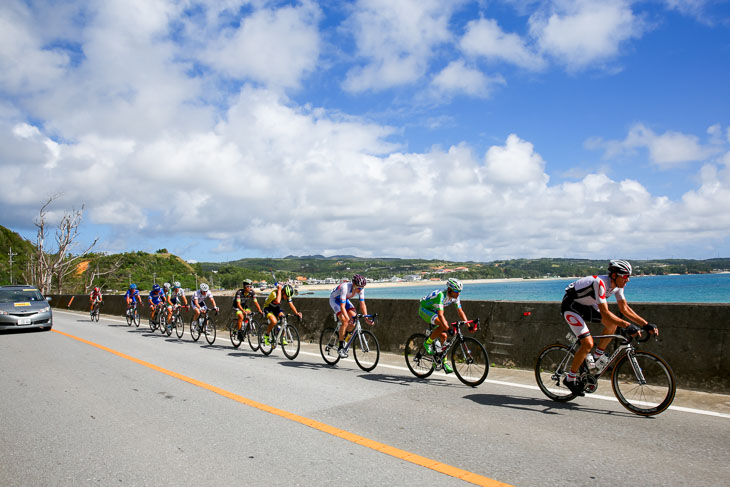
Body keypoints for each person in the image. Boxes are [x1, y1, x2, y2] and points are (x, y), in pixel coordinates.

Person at [561, 259, 659, 396]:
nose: (628, 280)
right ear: (614, 275)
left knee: (612, 324)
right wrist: (627, 325)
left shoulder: (619, 286)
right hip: (571, 307)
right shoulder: (599, 283)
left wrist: (645, 324)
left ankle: (597, 356)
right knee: (587, 343)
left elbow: (624, 308)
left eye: (628, 276)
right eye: (625, 276)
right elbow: (605, 312)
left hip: (587, 306)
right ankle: (570, 378)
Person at [418, 278, 469, 374]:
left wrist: (468, 324)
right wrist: (448, 328)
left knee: (444, 337)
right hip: (425, 309)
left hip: (434, 311)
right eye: (456, 291)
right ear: (449, 290)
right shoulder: (441, 295)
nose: (458, 294)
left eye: (459, 292)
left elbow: (460, 311)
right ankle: (427, 343)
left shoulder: (456, 297)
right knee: (443, 325)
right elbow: (441, 315)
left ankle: (442, 361)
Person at [329, 274, 372, 358]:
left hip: (345, 300)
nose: (360, 290)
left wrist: (366, 318)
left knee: (354, 321)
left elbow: (362, 304)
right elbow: (342, 306)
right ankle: (340, 347)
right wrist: (347, 318)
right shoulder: (345, 287)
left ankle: (345, 339)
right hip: (334, 300)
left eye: (362, 287)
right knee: (345, 321)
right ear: (354, 285)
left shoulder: (361, 289)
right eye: (359, 288)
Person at [262, 283, 302, 348]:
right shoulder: (274, 294)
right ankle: (266, 335)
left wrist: (296, 313)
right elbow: (277, 301)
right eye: (286, 296)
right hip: (268, 308)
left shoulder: (287, 295)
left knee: (284, 320)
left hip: (276, 308)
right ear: (283, 292)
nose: (287, 298)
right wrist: (279, 289)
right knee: (274, 321)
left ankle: (282, 337)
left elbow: (291, 305)